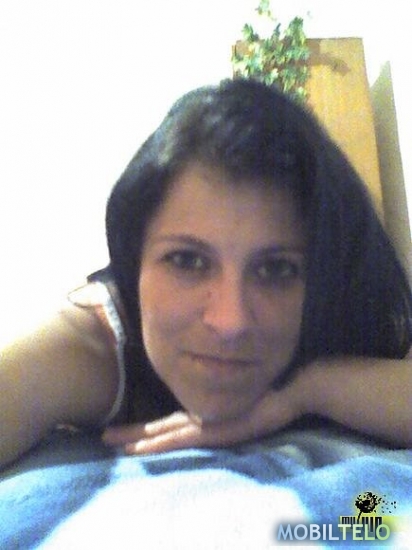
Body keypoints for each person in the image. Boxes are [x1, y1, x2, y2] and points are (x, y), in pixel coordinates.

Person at [1, 78, 411, 469]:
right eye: (187, 261)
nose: (230, 322)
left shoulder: (337, 310)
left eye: (275, 269)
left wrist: (307, 389)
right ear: (134, 257)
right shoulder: (91, 346)